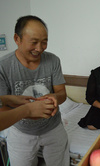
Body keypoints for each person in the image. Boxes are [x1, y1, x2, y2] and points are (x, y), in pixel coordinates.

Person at [0, 15, 69, 166]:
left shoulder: (53, 60)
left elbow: (62, 93)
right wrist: (28, 110)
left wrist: (55, 97)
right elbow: (3, 109)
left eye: (44, 42)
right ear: (17, 39)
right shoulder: (3, 67)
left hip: (53, 127)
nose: (39, 48)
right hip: (20, 133)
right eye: (34, 42)